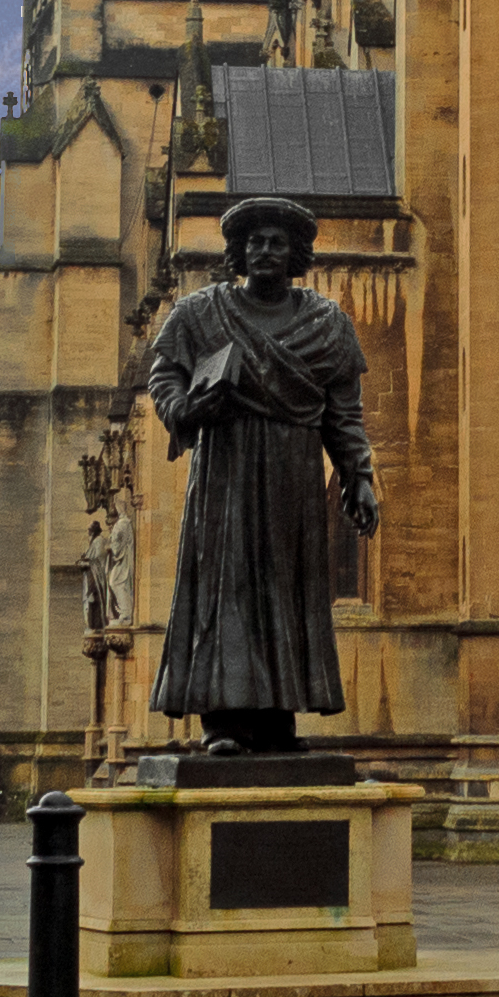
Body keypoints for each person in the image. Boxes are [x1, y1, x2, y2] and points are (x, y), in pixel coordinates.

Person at [143, 195, 378, 755]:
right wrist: (186, 410)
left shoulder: (327, 325)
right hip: (226, 470)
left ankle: (277, 720)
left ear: (295, 253)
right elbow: (164, 376)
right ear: (239, 253)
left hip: (293, 478)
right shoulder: (200, 313)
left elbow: (344, 414)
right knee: (229, 586)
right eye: (254, 242)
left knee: (288, 588)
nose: (264, 251)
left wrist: (358, 476)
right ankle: (224, 722)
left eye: (276, 242)